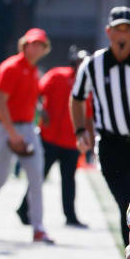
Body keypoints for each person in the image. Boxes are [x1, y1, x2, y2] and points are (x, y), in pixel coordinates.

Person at [70, 6, 130, 246]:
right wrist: (80, 130)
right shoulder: (93, 64)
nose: (122, 35)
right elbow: (77, 97)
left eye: (127, 29)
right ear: (108, 32)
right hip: (112, 144)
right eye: (117, 29)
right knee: (129, 202)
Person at [0, 28, 54, 243]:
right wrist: (11, 133)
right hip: (5, 127)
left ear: (45, 48)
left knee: (37, 178)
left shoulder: (33, 69)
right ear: (24, 44)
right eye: (32, 43)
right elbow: (0, 102)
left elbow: (29, 97)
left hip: (28, 127)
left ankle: (38, 228)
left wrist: (40, 111)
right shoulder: (11, 67)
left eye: (40, 44)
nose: (36, 47)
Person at [16, 46, 90, 227]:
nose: (82, 66)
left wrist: (88, 136)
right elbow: (36, 92)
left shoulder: (90, 85)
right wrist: (41, 110)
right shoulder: (57, 75)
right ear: (73, 62)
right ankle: (23, 209)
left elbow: (89, 114)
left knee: (69, 181)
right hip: (49, 138)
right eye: (79, 62)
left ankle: (70, 216)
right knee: (38, 176)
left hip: (71, 141)